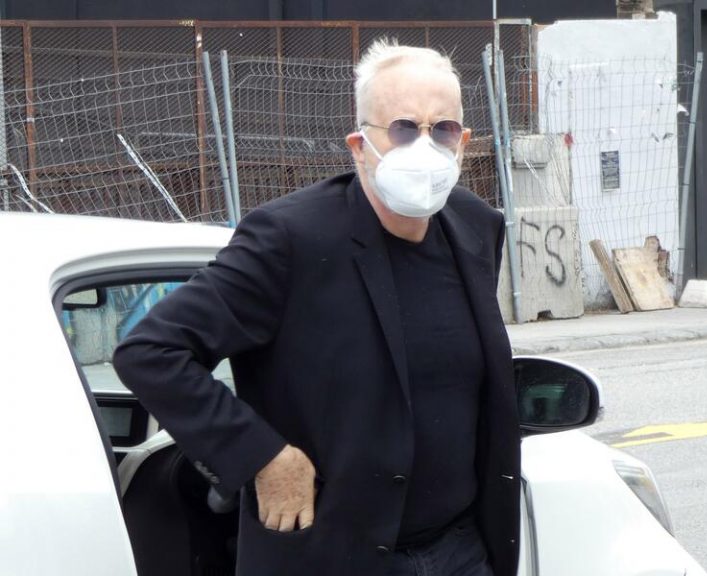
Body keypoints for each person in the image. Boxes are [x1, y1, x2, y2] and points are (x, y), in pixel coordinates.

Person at [113, 39, 520, 576]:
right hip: (334, 553)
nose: (424, 146)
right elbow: (150, 352)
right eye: (403, 129)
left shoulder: (475, 226)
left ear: (463, 141)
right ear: (359, 145)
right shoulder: (290, 238)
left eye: (442, 129)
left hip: (459, 551)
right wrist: (261, 456)